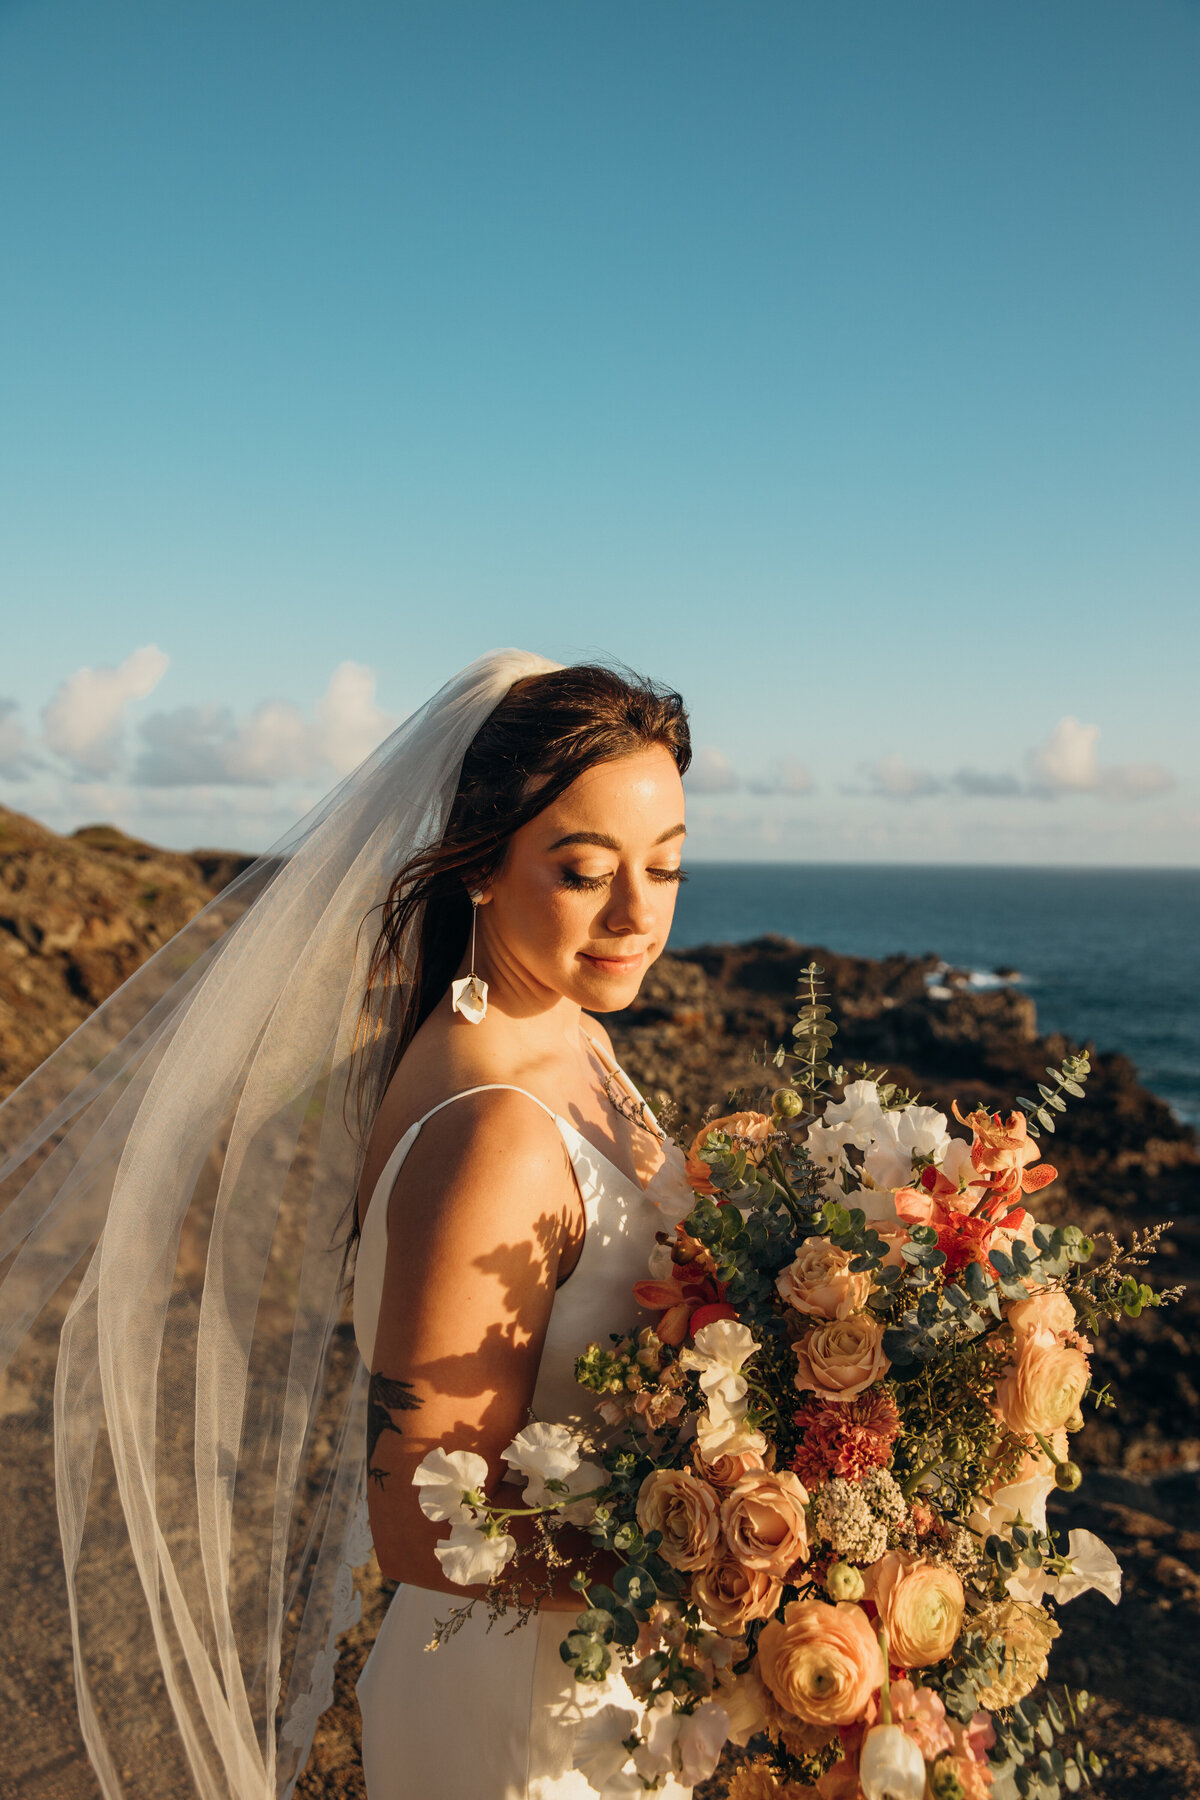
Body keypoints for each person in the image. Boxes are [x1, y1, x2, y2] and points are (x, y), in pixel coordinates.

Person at [0, 649, 697, 1800]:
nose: (637, 915)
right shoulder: (495, 1132)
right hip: (520, 1722)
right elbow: (427, 1527)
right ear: (481, 865)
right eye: (583, 872)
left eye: (666, 869)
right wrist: (710, 1558)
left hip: (595, 1669)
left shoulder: (569, 1032)